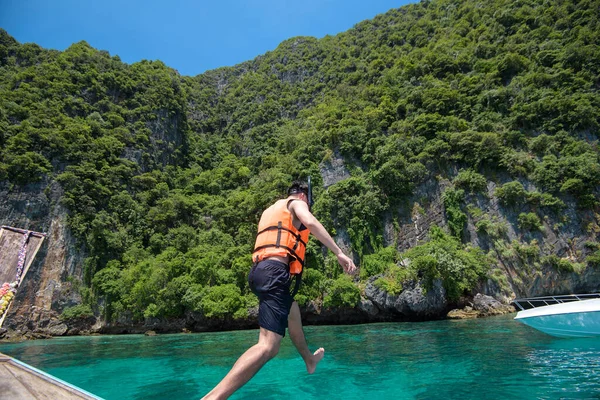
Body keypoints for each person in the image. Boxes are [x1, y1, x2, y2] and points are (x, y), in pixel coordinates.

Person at [202, 181, 356, 400]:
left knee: (292, 311)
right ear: (303, 196)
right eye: (308, 202)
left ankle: (309, 360)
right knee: (269, 346)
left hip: (260, 272)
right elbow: (309, 222)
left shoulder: (271, 209)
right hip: (274, 272)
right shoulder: (296, 203)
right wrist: (339, 252)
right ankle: (214, 397)